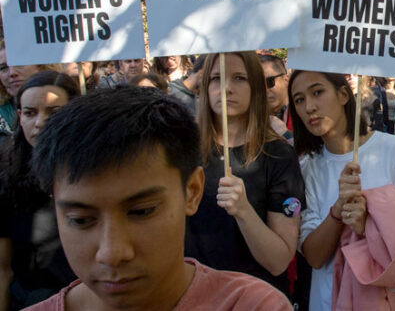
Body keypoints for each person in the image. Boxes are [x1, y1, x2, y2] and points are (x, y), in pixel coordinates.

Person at [24, 86, 292, 311]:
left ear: (192, 191)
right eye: (80, 220)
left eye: (141, 212)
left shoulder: (251, 305)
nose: (112, 253)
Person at [289, 70, 395, 311]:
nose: (309, 107)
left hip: (393, 299)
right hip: (329, 300)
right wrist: (337, 212)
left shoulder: (394, 150)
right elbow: (314, 257)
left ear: (343, 94)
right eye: (299, 100)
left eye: (317, 92)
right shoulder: (307, 168)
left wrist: (373, 224)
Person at [185, 52, 305, 300]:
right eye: (217, 78)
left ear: (255, 88)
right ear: (204, 86)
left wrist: (243, 211)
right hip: (194, 297)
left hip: (256, 298)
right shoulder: (181, 149)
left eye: (239, 78)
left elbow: (279, 260)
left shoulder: (279, 155)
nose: (226, 88)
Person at [0, 71, 80, 310]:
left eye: (53, 112)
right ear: (20, 117)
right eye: (30, 113)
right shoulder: (7, 185)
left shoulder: (103, 178)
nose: (40, 122)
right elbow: (3, 271)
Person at [259, 54, 292, 130]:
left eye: (269, 81)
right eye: (259, 84)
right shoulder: (251, 123)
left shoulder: (303, 115)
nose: (265, 89)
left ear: (286, 80)